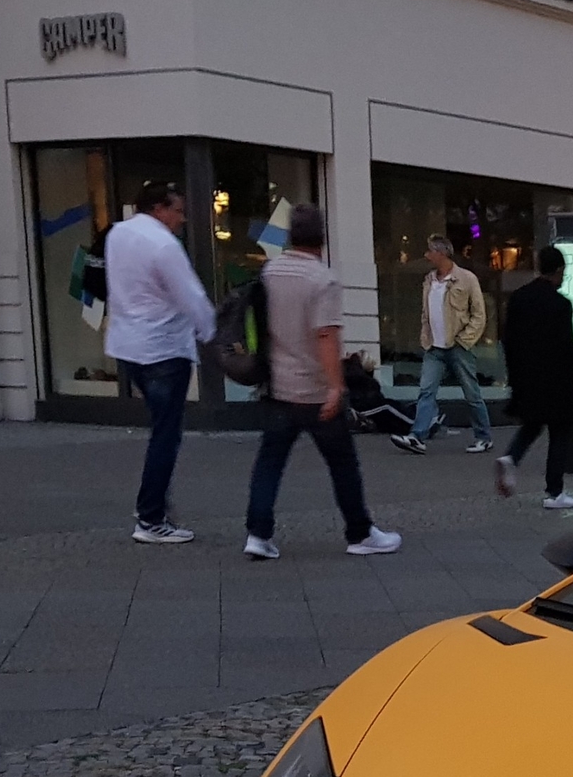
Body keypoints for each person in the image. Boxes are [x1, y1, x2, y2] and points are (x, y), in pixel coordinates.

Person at [243, 205, 401, 560]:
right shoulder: (322, 279)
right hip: (314, 389)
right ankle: (359, 532)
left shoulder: (270, 272)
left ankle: (258, 533)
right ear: (322, 238)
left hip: (278, 386)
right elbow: (326, 335)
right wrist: (336, 386)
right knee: (342, 462)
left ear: (290, 236)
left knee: (270, 462)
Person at [102, 179, 217, 544]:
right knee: (166, 435)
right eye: (178, 210)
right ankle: (151, 516)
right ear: (159, 209)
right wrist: (211, 333)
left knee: (160, 428)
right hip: (164, 347)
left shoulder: (117, 234)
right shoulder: (164, 245)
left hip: (129, 344)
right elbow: (191, 295)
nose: (182, 219)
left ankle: (153, 506)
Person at [498, 245, 573, 510]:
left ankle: (511, 457)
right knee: (560, 432)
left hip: (526, 377)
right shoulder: (561, 304)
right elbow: (564, 343)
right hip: (557, 380)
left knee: (533, 424)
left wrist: (514, 375)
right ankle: (554, 492)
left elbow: (508, 340)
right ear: (559, 270)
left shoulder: (519, 298)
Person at [392, 235, 494, 456]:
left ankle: (484, 437)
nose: (427, 256)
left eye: (430, 251)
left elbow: (479, 314)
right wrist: (425, 336)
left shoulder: (466, 279)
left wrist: (465, 339)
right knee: (426, 391)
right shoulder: (429, 280)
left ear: (442, 254)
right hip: (434, 347)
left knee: (471, 393)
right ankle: (417, 436)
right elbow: (425, 312)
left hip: (458, 345)